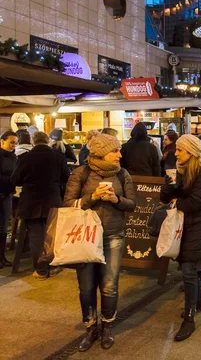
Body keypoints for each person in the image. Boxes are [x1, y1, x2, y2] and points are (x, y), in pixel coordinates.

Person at [63, 133, 136, 352]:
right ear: (102, 152)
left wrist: (116, 199)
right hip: (85, 237)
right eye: (115, 151)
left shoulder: (123, 175)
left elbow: (132, 204)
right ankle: (90, 328)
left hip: (113, 235)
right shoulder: (80, 173)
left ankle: (106, 327)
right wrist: (93, 197)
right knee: (86, 287)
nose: (119, 155)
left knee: (109, 286)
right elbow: (67, 204)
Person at [160, 135, 201, 342]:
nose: (176, 153)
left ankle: (189, 318)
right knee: (188, 267)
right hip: (181, 226)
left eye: (180, 150)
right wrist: (170, 185)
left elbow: (195, 203)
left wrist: (176, 201)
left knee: (189, 271)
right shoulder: (178, 171)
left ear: (190, 152)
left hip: (198, 226)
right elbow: (163, 198)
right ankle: (198, 302)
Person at [11, 132, 70, 278]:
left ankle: (41, 270)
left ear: (33, 141)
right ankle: (53, 265)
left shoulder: (25, 158)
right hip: (53, 199)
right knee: (53, 235)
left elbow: (15, 179)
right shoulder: (59, 157)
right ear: (48, 141)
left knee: (36, 237)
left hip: (31, 201)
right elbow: (66, 178)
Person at [0, 130, 17, 268]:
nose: (14, 145)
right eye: (11, 142)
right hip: (1, 192)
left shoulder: (13, 157)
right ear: (2, 141)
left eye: (15, 143)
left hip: (7, 195)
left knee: (4, 226)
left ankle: (2, 256)